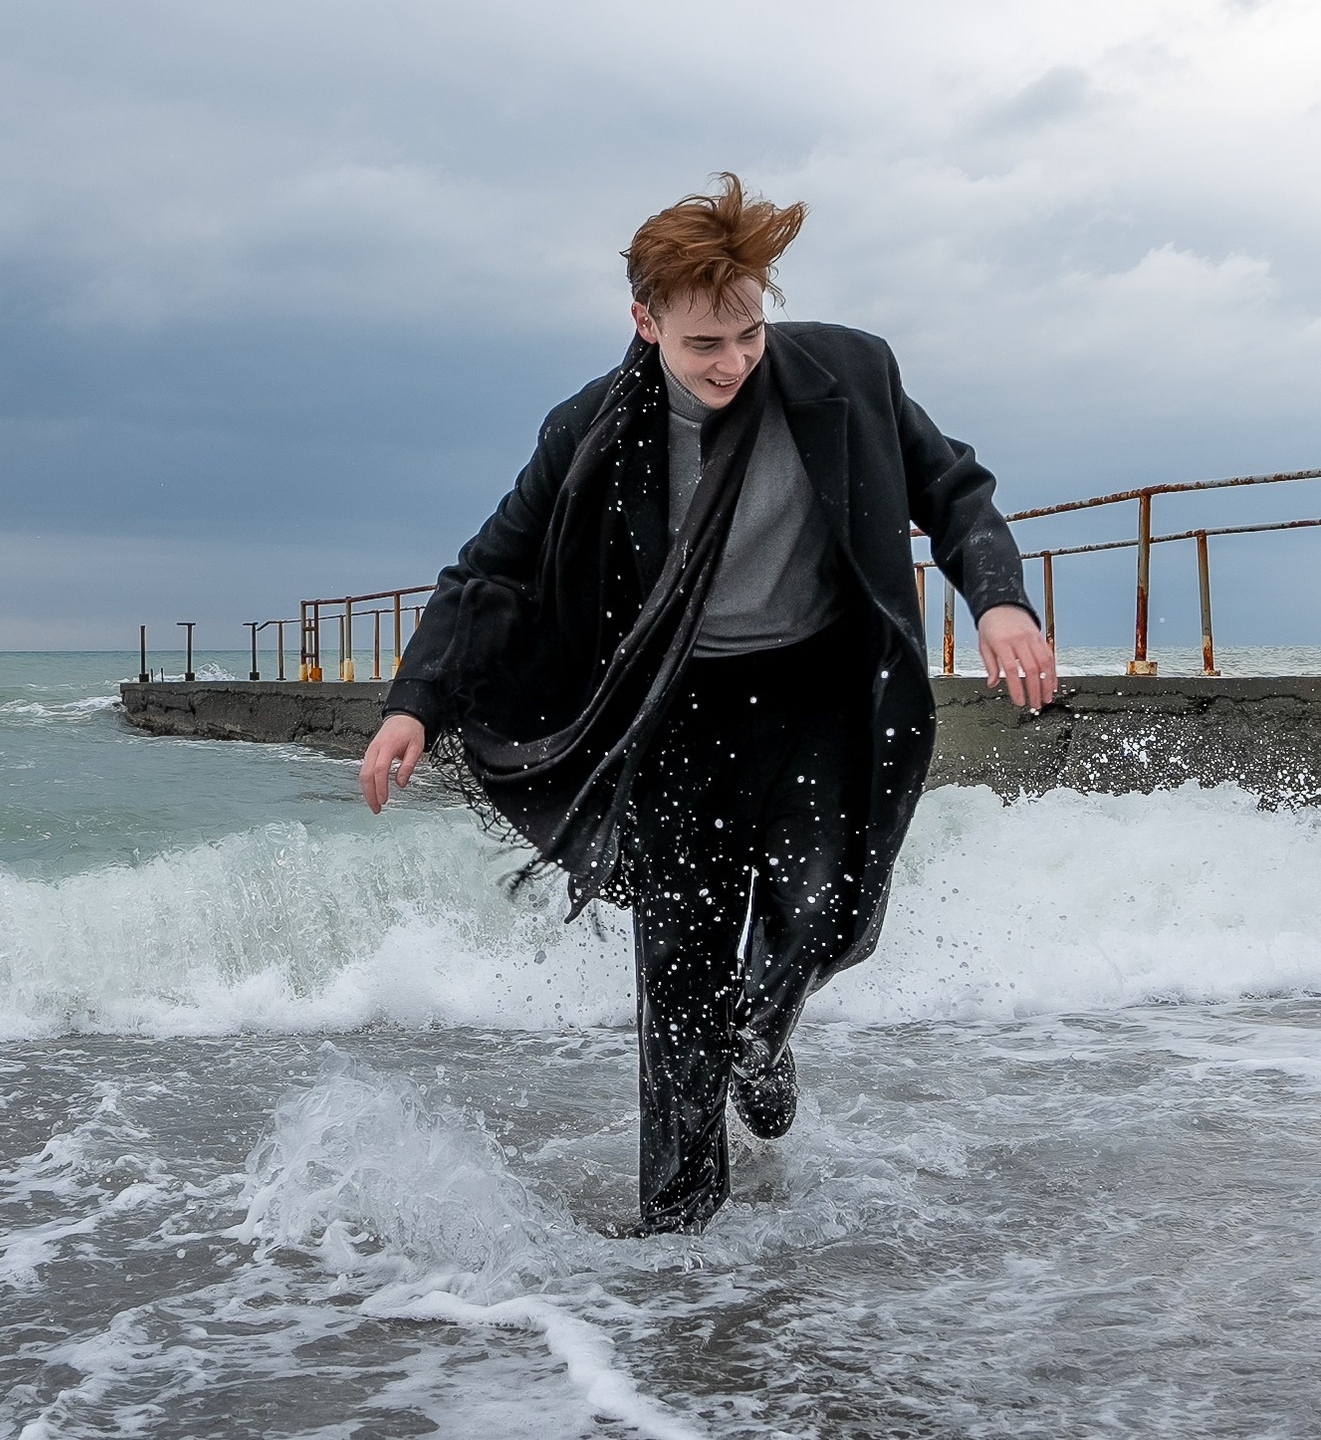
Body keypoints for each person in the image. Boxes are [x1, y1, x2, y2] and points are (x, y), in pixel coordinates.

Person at [358, 174, 1056, 1235]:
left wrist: (999, 602)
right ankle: (678, 1247)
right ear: (644, 323)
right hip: (674, 716)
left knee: (818, 918)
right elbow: (489, 571)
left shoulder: (846, 373)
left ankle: (766, 1037)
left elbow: (950, 487)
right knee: (680, 971)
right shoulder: (590, 428)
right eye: (702, 346)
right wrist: (413, 705)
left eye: (746, 334)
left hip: (820, 694)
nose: (731, 362)